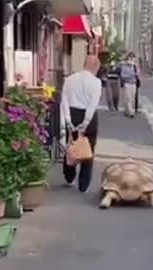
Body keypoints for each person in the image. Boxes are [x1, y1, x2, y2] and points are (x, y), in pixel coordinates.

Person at [61, 55, 102, 193]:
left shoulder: (70, 79)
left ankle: (69, 176)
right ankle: (83, 184)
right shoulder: (96, 82)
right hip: (88, 117)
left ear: (84, 64)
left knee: (71, 144)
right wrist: (85, 122)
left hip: (72, 113)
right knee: (88, 149)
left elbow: (64, 99)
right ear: (95, 66)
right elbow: (92, 105)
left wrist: (67, 119)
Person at [119, 52, 140, 118]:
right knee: (127, 97)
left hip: (133, 83)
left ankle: (127, 110)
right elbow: (122, 75)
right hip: (127, 83)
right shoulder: (124, 66)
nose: (131, 59)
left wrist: (137, 74)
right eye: (130, 57)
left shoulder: (134, 66)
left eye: (133, 58)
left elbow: (137, 74)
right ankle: (130, 112)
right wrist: (131, 75)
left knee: (132, 98)